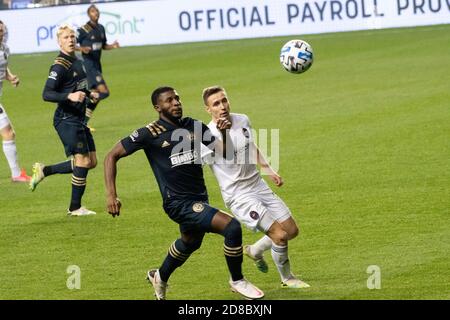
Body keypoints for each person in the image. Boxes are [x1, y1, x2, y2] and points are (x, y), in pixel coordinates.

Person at [104, 86, 264, 300]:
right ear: (157, 107)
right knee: (232, 227)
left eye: (177, 98)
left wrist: (224, 132)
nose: (176, 103)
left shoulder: (193, 125)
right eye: (169, 100)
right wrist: (111, 195)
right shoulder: (150, 133)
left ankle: (159, 277)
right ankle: (237, 280)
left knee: (190, 242)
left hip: (198, 198)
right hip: (177, 203)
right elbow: (111, 156)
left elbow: (225, 152)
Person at [202, 86, 310, 289]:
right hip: (239, 195)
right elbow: (226, 154)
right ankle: (287, 279)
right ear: (208, 109)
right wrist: (224, 133)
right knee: (280, 235)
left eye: (224, 100)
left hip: (257, 185)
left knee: (291, 230)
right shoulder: (207, 135)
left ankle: (255, 250)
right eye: (216, 103)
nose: (222, 106)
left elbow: (250, 146)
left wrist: (268, 169)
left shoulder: (242, 119)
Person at [29, 24, 99, 216]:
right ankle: (75, 207)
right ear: (59, 41)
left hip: (77, 119)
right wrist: (69, 96)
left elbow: (77, 85)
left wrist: (88, 93)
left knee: (91, 161)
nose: (71, 40)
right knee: (82, 161)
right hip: (66, 119)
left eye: (72, 37)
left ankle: (44, 170)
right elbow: (46, 93)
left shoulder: (75, 60)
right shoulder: (59, 65)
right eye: (66, 37)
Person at [76, 4, 120, 129]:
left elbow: (104, 45)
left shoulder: (101, 28)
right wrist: (81, 48)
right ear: (88, 14)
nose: (96, 13)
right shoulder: (84, 29)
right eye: (93, 11)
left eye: (97, 11)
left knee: (95, 95)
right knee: (104, 92)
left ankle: (83, 122)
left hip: (97, 65)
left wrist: (113, 46)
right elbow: (72, 44)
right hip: (88, 65)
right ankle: (79, 108)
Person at [0, 20, 31, 182]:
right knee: (8, 133)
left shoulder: (5, 49)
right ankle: (16, 174)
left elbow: (2, 68)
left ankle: (16, 174)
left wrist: (10, 77)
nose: (1, 33)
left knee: (8, 133)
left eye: (2, 30)